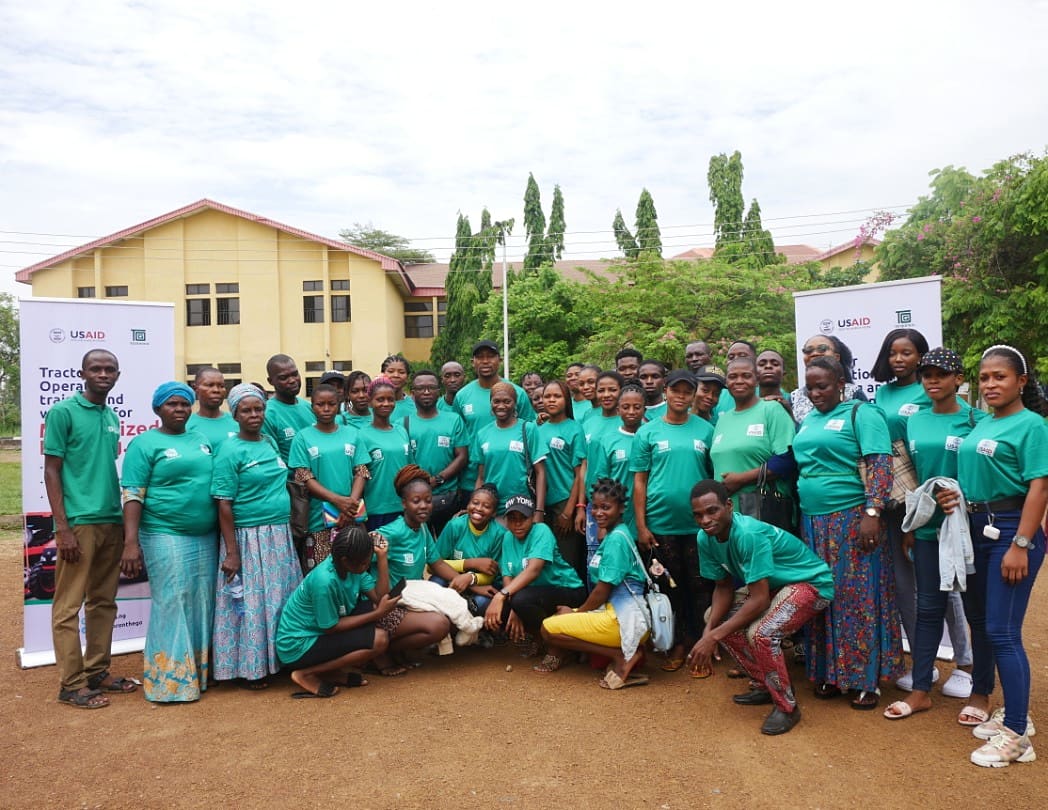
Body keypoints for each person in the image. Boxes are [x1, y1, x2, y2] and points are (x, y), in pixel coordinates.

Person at [933, 345, 1047, 767]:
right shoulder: (983, 423)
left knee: (1003, 631)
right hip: (975, 529)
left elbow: (1039, 487)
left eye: (1000, 377)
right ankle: (1013, 716)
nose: (991, 384)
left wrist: (1021, 543)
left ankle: (1017, 733)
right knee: (983, 623)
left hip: (1011, 531)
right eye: (984, 378)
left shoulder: (1032, 425)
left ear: (1021, 381)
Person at [792, 356, 901, 710]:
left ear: (841, 381)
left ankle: (865, 680)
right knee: (822, 596)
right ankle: (829, 673)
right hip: (813, 521)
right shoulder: (808, 419)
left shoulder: (862, 413)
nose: (816, 392)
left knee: (857, 599)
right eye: (811, 387)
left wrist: (872, 512)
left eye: (823, 385)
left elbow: (880, 464)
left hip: (851, 518)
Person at [686, 480, 833, 735]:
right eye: (698, 515)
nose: (705, 520)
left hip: (811, 585)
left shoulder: (748, 534)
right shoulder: (705, 539)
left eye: (712, 511)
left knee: (761, 634)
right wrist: (708, 632)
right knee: (714, 617)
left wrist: (713, 637)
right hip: (776, 587)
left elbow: (759, 600)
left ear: (729, 505)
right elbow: (723, 587)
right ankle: (765, 684)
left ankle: (787, 706)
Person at [883, 348, 981, 720]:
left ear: (958, 379)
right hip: (926, 530)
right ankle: (922, 689)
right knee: (928, 610)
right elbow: (913, 477)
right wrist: (912, 525)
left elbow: (981, 473)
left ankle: (978, 685)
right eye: (927, 374)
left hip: (967, 529)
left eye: (942, 373)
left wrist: (962, 494)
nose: (933, 380)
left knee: (976, 611)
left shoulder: (977, 420)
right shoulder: (916, 421)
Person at [44, 349, 134, 708]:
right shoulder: (63, 412)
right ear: (82, 372)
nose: (103, 374)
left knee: (103, 601)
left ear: (117, 374)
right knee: (68, 606)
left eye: (109, 369)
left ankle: (97, 671)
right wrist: (62, 528)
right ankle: (71, 682)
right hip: (79, 522)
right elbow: (52, 470)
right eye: (96, 368)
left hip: (111, 518)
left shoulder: (111, 416)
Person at [120, 381, 217, 702]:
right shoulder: (144, 444)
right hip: (164, 532)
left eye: (184, 404)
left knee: (202, 601)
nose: (179, 410)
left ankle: (198, 676)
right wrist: (130, 543)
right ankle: (168, 683)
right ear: (158, 409)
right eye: (172, 404)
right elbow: (132, 494)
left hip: (205, 535)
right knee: (172, 600)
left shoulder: (201, 439)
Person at [211, 383, 302, 689]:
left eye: (259, 409)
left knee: (277, 602)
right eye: (246, 410)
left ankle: (276, 661)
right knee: (251, 604)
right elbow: (223, 502)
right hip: (249, 538)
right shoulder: (229, 450)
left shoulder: (268, 443)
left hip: (278, 536)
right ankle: (252, 669)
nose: (254, 415)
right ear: (234, 414)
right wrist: (232, 552)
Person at [630, 368, 715, 674]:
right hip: (661, 527)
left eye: (687, 391)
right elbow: (639, 481)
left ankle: (704, 643)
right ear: (665, 392)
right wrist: (641, 525)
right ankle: (677, 644)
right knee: (669, 587)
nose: (681, 396)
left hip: (700, 527)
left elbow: (713, 477)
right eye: (676, 390)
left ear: (694, 395)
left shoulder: (705, 430)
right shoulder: (648, 432)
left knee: (701, 586)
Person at [870, 328, 935, 692]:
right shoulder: (882, 393)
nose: (899, 359)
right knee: (902, 582)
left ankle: (964, 659)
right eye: (893, 352)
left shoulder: (928, 389)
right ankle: (922, 660)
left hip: (925, 496)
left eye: (907, 352)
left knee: (939, 582)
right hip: (894, 500)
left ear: (920, 356)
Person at [539, 478, 651, 688]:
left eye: (606, 508)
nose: (598, 513)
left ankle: (620, 656)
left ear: (621, 509)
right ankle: (621, 653)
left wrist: (576, 613)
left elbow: (602, 591)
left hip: (623, 619)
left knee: (548, 629)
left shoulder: (616, 539)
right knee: (559, 614)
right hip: (622, 615)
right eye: (596, 507)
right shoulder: (615, 534)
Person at [275, 525, 399, 698]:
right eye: (364, 563)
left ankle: (329, 673)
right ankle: (307, 673)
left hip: (318, 633)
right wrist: (377, 614)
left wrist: (382, 558)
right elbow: (330, 627)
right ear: (346, 560)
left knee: (371, 608)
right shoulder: (324, 581)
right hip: (298, 645)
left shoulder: (351, 566)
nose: (365, 566)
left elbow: (380, 598)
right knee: (379, 640)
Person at [369, 466, 454, 674]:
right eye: (416, 501)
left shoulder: (422, 528)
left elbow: (437, 563)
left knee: (452, 613)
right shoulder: (393, 531)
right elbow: (361, 553)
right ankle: (379, 652)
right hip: (387, 604)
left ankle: (394, 650)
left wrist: (466, 579)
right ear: (404, 503)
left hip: (411, 599)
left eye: (428, 499)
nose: (424, 506)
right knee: (439, 625)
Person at [484, 495, 586, 657]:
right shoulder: (508, 537)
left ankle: (558, 644)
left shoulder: (541, 530)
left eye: (523, 518)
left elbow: (534, 570)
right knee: (506, 606)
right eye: (512, 519)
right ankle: (541, 638)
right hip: (535, 593)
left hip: (566, 589)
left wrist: (502, 597)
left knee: (517, 600)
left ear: (532, 518)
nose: (517, 524)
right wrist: (512, 606)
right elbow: (507, 575)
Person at [710, 356, 796, 520]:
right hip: (727, 515)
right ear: (726, 383)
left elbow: (787, 459)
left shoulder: (772, 410)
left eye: (746, 376)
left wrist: (741, 479)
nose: (739, 381)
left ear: (757, 380)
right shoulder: (723, 420)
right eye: (733, 377)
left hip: (763, 510)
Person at [454, 340, 536, 505]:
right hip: (473, 479)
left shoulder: (517, 393)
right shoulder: (462, 396)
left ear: (500, 359)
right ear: (472, 362)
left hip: (514, 481)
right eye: (480, 357)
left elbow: (530, 433)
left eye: (491, 356)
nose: (485, 361)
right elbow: (457, 439)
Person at [289, 384, 361, 570]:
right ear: (312, 406)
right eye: (320, 404)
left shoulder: (352, 434)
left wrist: (349, 505)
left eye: (332, 404)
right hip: (318, 520)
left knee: (352, 570)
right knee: (322, 573)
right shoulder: (303, 437)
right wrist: (337, 501)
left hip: (351, 517)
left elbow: (361, 471)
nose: (326, 409)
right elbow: (304, 476)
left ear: (339, 405)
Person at [404, 369, 468, 536]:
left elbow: (462, 456)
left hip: (447, 497)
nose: (426, 392)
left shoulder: (454, 419)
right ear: (412, 393)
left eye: (431, 387)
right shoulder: (403, 423)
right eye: (421, 388)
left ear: (438, 391)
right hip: (415, 500)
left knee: (447, 549)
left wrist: (437, 479)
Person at [474, 381, 548, 519]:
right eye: (496, 401)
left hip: (522, 507)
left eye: (507, 401)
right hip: (491, 509)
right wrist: (477, 504)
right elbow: (481, 477)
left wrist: (539, 511)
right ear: (491, 403)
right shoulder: (482, 434)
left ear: (515, 403)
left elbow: (541, 472)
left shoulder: (528, 429)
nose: (501, 406)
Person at [432, 484, 508, 618]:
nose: (478, 508)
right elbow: (432, 565)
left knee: (482, 602)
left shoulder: (499, 534)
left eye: (486, 506)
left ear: (494, 513)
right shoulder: (455, 526)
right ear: (468, 505)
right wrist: (470, 564)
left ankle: (469, 629)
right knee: (435, 583)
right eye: (475, 503)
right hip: (453, 579)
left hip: (483, 584)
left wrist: (470, 579)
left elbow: (492, 574)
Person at [537, 380, 586, 579]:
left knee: (567, 560)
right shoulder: (538, 429)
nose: (551, 400)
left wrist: (570, 511)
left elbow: (579, 473)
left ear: (566, 400)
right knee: (546, 557)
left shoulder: (574, 429)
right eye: (547, 396)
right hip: (542, 503)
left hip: (565, 501)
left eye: (556, 396)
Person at [576, 371, 624, 571]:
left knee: (618, 558)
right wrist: (580, 505)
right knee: (594, 559)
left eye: (612, 390)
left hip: (620, 506)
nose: (606, 394)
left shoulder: (628, 421)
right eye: (601, 390)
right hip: (593, 506)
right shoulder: (588, 421)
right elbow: (583, 466)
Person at [350, 377, 411, 531]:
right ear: (370, 402)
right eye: (380, 399)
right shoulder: (361, 435)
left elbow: (410, 468)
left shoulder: (401, 430)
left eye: (390, 399)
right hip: (376, 510)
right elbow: (359, 475)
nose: (386, 404)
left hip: (404, 506)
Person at [589, 382, 646, 533]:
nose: (631, 411)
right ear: (618, 410)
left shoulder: (650, 437)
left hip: (649, 514)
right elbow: (601, 480)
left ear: (644, 409)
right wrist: (603, 526)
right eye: (626, 407)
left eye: (637, 407)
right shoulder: (608, 441)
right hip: (618, 517)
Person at [791, 335, 867, 423]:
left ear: (837, 357)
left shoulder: (854, 393)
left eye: (823, 348)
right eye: (808, 350)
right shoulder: (794, 397)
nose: (814, 353)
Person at [261, 354, 315, 465]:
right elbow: (271, 459)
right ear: (271, 381)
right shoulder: (267, 415)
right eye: (283, 378)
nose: (292, 380)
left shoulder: (309, 407)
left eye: (295, 374)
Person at [187, 366, 237, 450]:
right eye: (210, 385)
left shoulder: (237, 422)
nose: (216, 390)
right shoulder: (186, 425)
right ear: (195, 388)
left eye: (221, 386)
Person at [381, 354, 417, 422]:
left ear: (407, 377)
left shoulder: (415, 405)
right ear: (382, 374)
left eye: (401, 372)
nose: (396, 375)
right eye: (391, 371)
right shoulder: (372, 405)